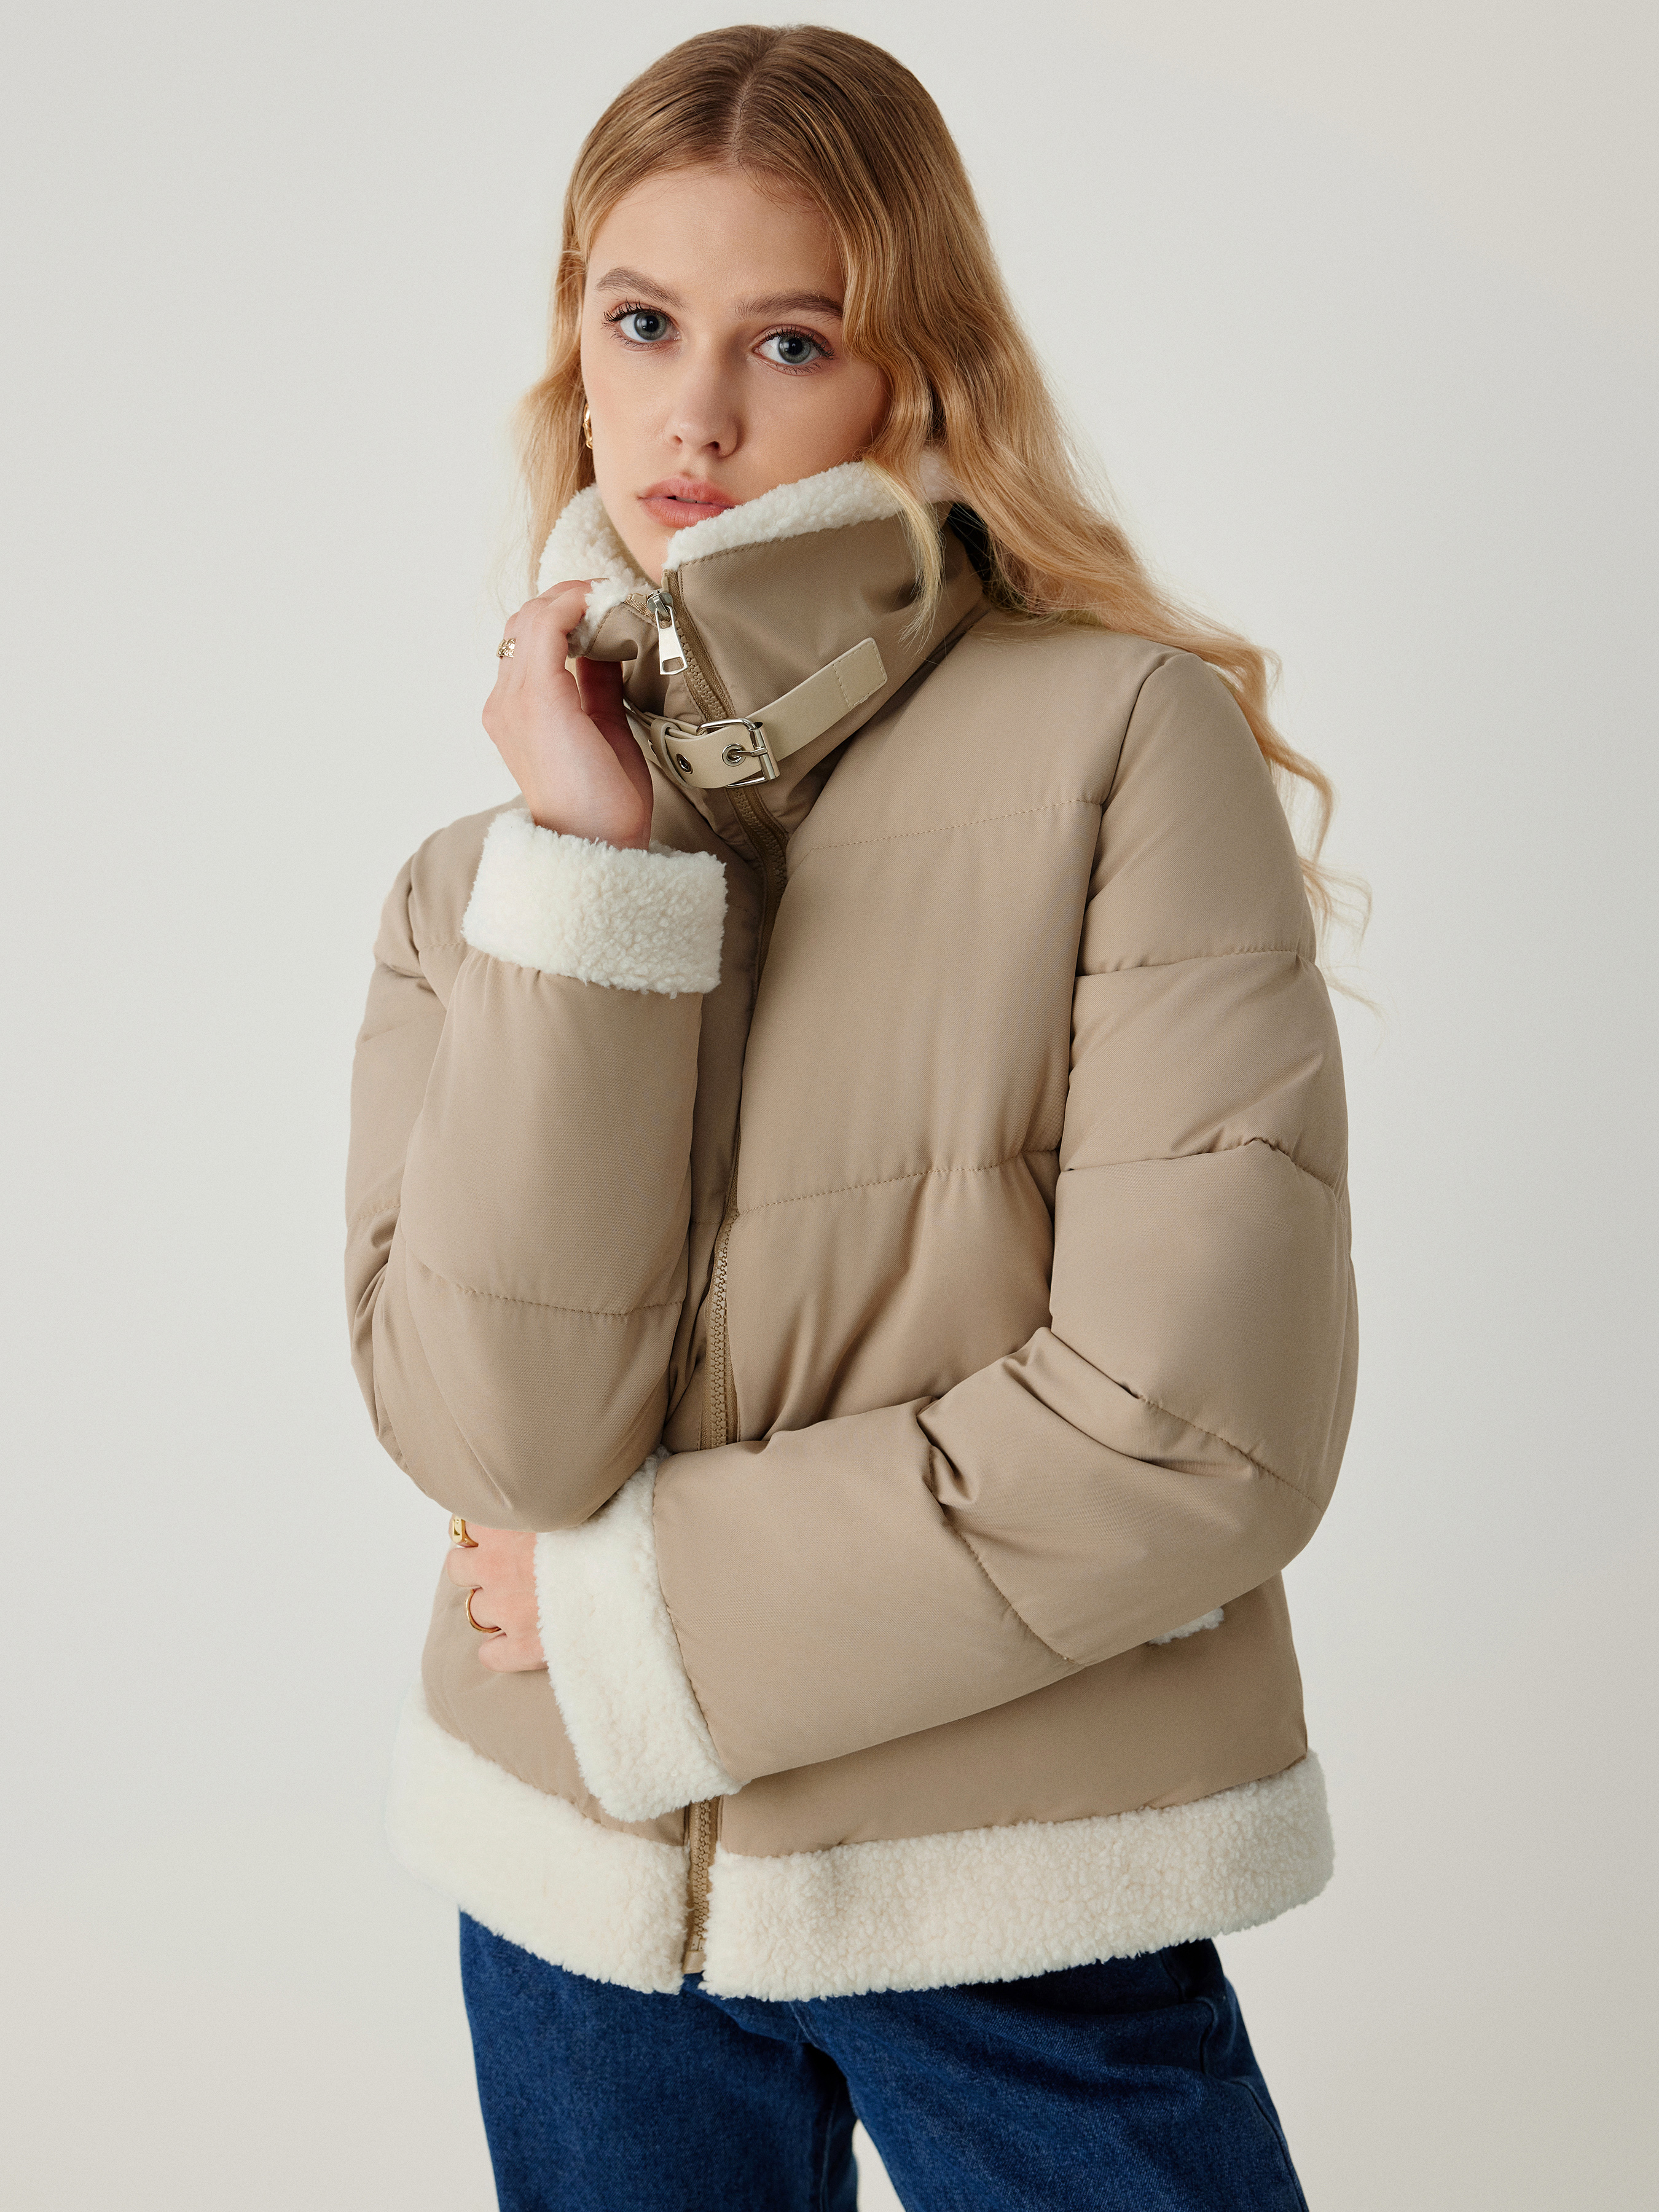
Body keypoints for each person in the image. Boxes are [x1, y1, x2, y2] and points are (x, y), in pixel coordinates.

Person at [345, 24, 1357, 2211]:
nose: (693, 417)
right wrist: (592, 871)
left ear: (912, 374)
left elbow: (1196, 1431)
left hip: (1006, 1886)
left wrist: (626, 1612)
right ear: (577, 343)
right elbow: (499, 1446)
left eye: (786, 341)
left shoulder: (1119, 747)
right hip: (574, 1910)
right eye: (643, 324)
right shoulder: (485, 879)